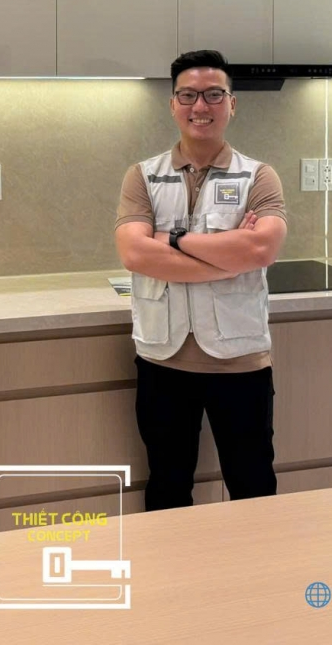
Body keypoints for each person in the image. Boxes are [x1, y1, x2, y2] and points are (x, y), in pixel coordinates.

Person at [114, 49, 287, 510]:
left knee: (253, 486)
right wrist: (227, 256)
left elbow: (261, 249)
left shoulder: (258, 177)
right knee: (167, 488)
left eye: (213, 94)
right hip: (163, 360)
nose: (200, 106)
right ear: (173, 104)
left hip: (240, 361)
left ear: (232, 104)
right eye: (188, 95)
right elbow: (134, 252)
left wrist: (170, 240)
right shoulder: (143, 177)